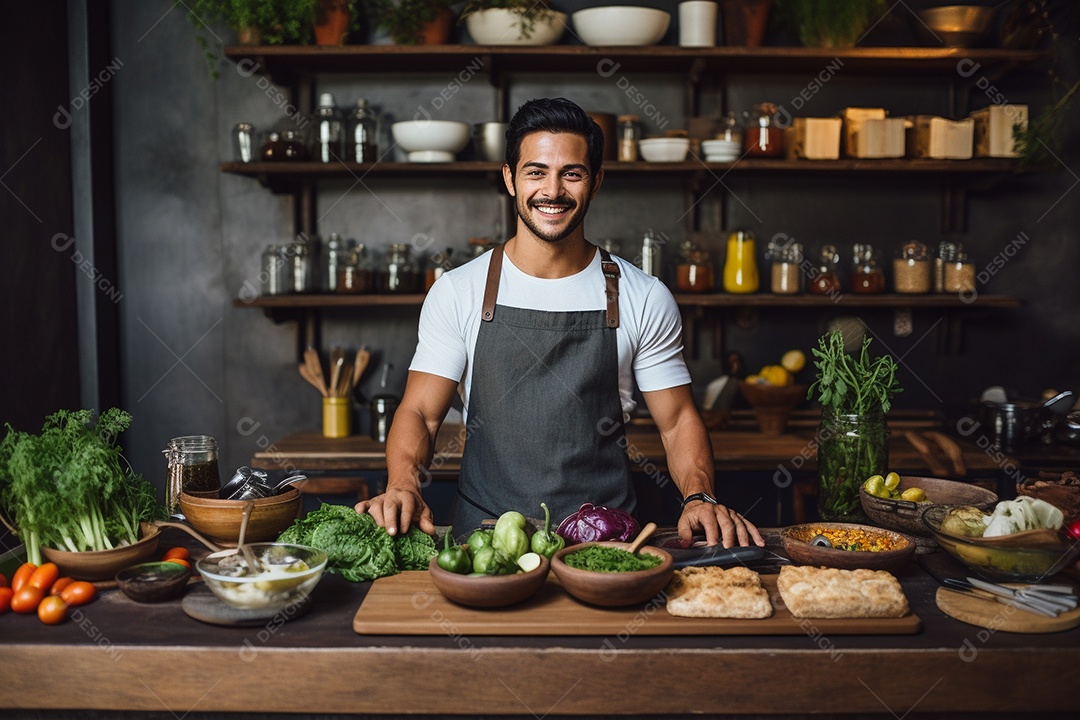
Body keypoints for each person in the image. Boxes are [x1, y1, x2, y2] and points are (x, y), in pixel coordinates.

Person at [356, 97, 763, 548]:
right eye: (536, 172)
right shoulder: (458, 291)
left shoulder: (644, 296)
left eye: (572, 173)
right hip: (485, 545)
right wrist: (403, 484)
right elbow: (420, 412)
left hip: (605, 545)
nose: (552, 191)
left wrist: (699, 495)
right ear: (509, 178)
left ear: (596, 181)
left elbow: (678, 421)